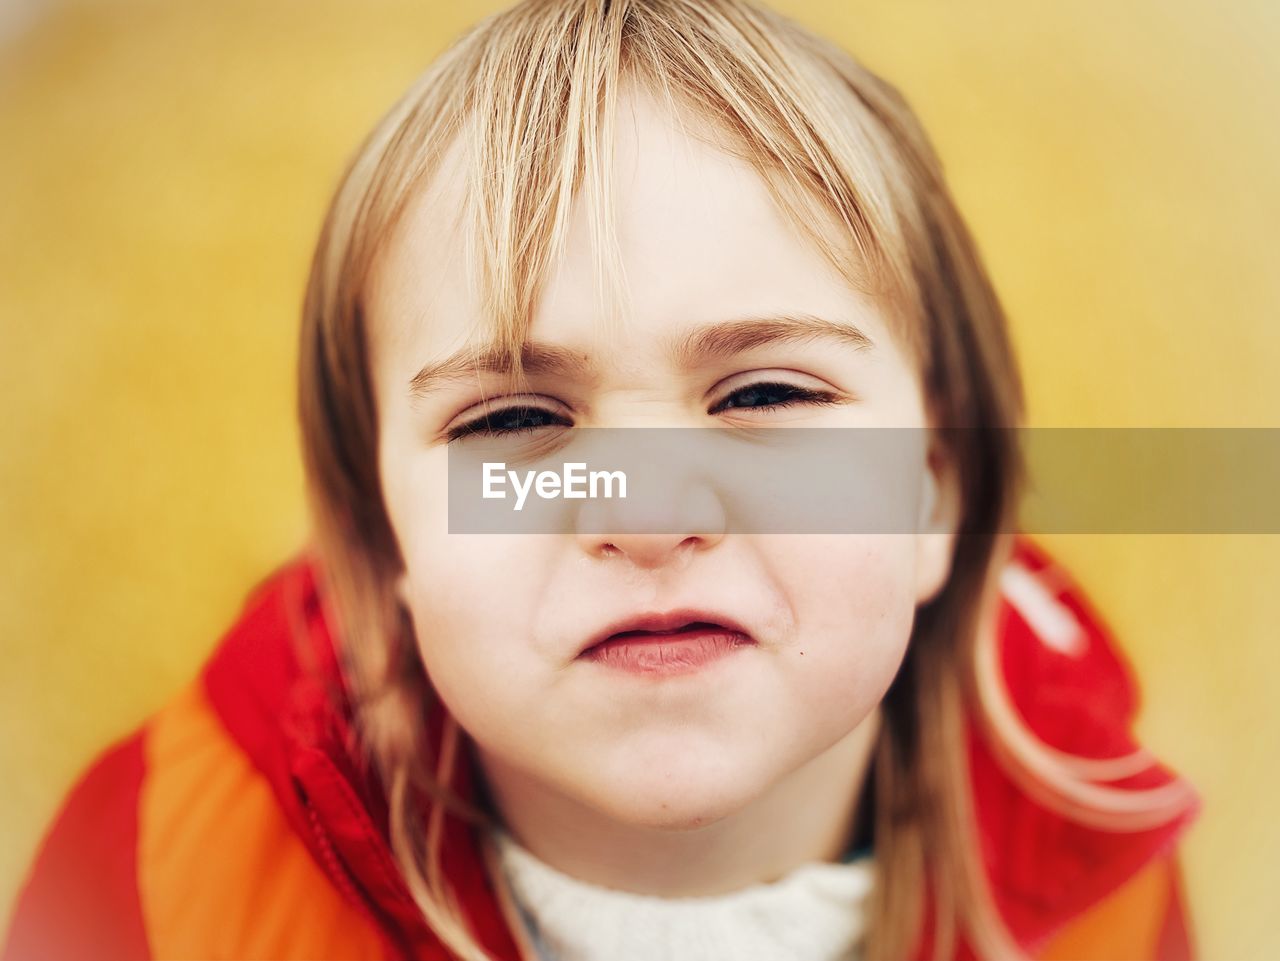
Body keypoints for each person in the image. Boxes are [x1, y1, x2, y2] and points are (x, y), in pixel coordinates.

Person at [3, 1, 1200, 959]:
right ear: (380, 553)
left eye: (765, 396)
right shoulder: (159, 877)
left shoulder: (1098, 876)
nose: (649, 513)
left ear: (933, 493)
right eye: (517, 418)